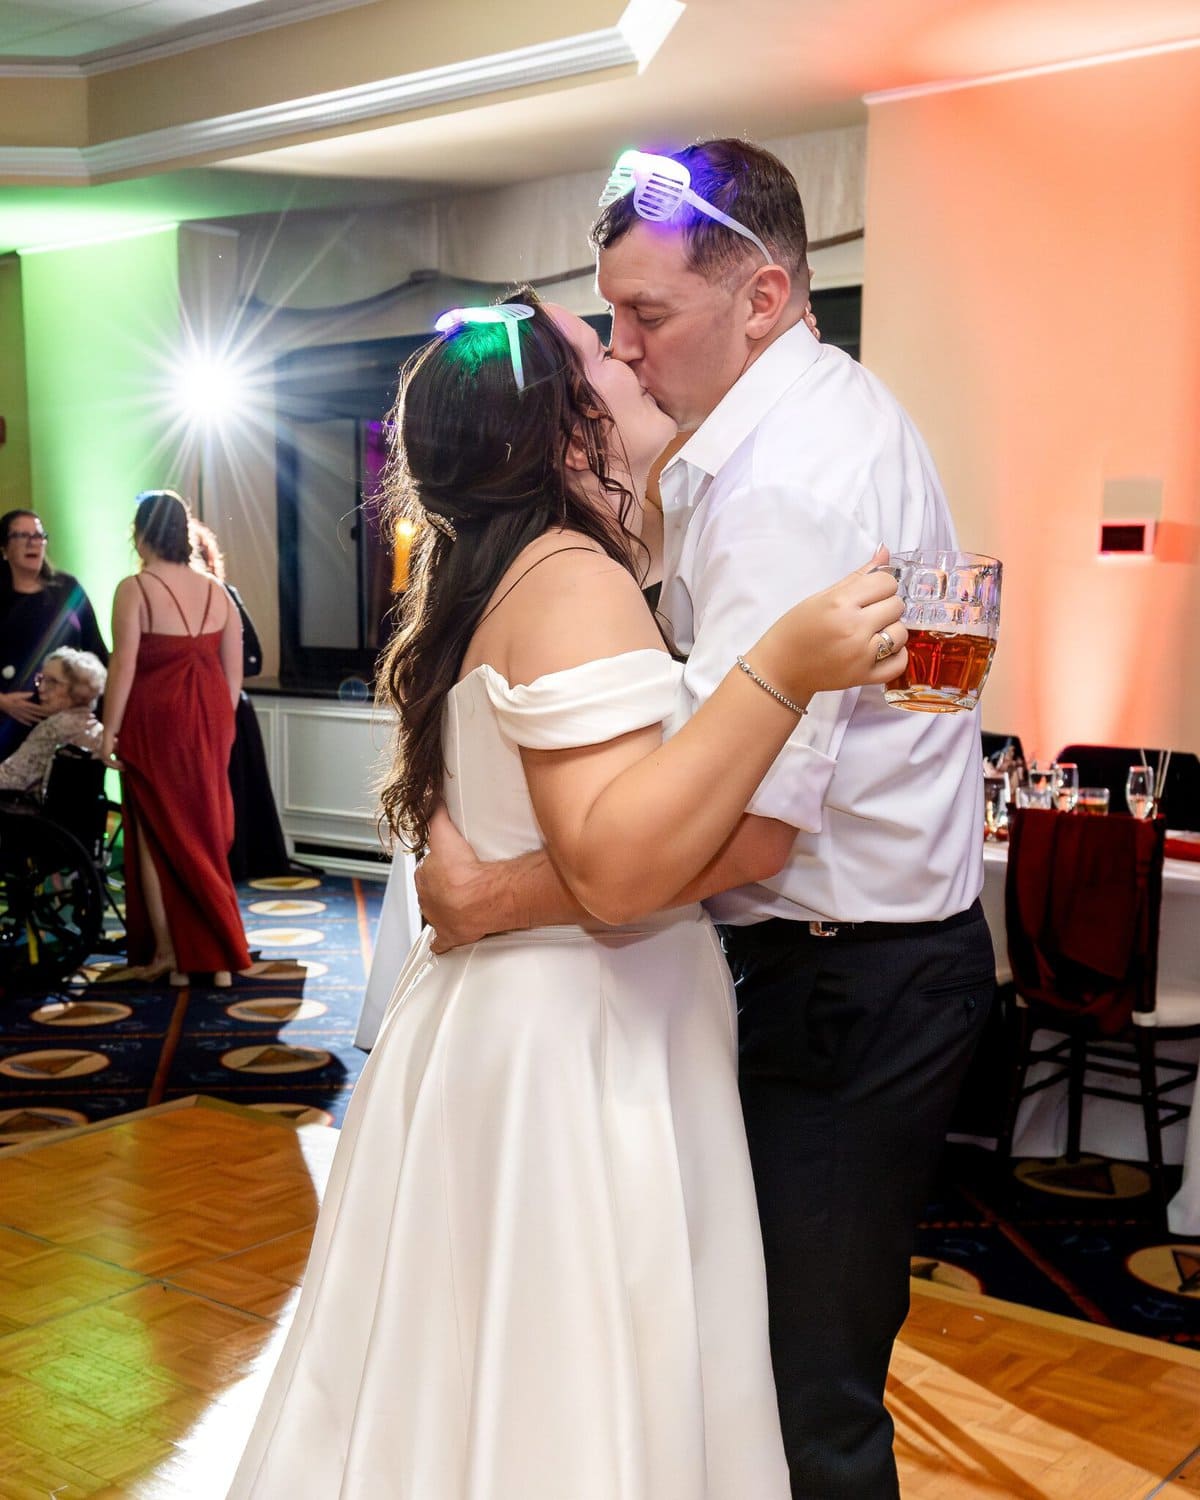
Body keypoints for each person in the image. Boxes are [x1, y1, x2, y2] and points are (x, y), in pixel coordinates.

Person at [226, 296, 907, 1499]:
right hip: (582, 1038)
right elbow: (616, 867)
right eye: (602, 353)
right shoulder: (574, 579)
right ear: (566, 429)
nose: (628, 355)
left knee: (465, 1386)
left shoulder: (485, 579)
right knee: (577, 1392)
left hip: (502, 1025)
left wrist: (487, 895)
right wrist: (785, 668)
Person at [414, 141, 995, 1499]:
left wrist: (495, 898)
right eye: (609, 317)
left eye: (647, 315)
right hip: (851, 969)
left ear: (764, 296)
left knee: (801, 1402)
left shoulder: (788, 485)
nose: (622, 349)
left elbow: (746, 834)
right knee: (764, 1372)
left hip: (842, 982)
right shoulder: (804, 429)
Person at [99, 490, 251, 987]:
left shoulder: (135, 588)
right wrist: (219, 726)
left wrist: (109, 732)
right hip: (209, 721)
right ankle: (211, 959)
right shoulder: (218, 592)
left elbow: (123, 667)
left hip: (155, 723)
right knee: (202, 832)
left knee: (155, 836)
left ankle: (171, 954)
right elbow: (233, 676)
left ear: (141, 534)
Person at [189, 519, 294, 880]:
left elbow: (254, 659)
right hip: (202, 711)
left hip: (227, 709)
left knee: (235, 794)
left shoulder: (224, 595)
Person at [0, 509, 108, 758]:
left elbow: (97, 654)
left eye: (39, 535)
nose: (33, 542)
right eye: (22, 536)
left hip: (68, 727)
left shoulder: (68, 589)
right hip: (9, 726)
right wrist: (3, 702)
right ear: (4, 548)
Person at [0, 647, 104, 794]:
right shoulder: (97, 729)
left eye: (52, 682)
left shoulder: (53, 728)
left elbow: (9, 778)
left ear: (78, 688)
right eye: (41, 679)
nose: (41, 688)